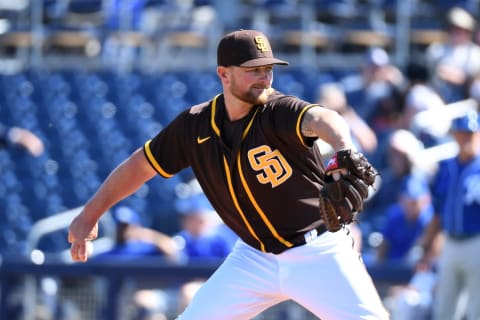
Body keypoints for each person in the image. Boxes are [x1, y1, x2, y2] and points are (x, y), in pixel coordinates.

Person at [68, 29, 389, 319]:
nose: (264, 78)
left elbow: (324, 119)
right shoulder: (194, 126)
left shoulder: (277, 110)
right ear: (224, 74)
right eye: (254, 70)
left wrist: (345, 151)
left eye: (268, 69)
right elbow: (140, 166)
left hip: (318, 250)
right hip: (253, 258)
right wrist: (90, 214)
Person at [418, 110, 480, 320]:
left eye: (470, 133)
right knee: (444, 310)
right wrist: (427, 245)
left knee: (477, 310)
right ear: (454, 135)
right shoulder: (446, 167)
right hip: (450, 243)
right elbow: (438, 211)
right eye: (462, 133)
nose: (466, 138)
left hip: (476, 243)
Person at [425, 6, 480, 103]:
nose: (457, 33)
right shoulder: (437, 49)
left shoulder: (475, 53)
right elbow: (431, 75)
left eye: (461, 30)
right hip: (438, 96)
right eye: (454, 28)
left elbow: (473, 82)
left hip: (466, 101)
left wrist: (458, 78)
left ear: (468, 32)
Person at [375, 175, 434, 264]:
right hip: (392, 268)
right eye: (407, 201)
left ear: (425, 200)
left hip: (417, 270)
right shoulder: (394, 215)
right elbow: (383, 245)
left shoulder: (430, 219)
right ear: (401, 199)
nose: (410, 206)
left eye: (414, 202)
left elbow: (433, 249)